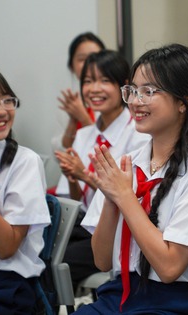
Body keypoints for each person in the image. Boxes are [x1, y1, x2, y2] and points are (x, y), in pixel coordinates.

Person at [76, 44, 188, 314]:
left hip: (176, 303)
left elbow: (170, 268)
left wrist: (125, 198)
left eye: (149, 92)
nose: (136, 101)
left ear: (184, 101)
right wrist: (113, 200)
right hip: (122, 293)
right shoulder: (127, 164)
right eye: (133, 91)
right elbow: (101, 261)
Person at [54, 50, 150, 290]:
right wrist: (73, 178)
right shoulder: (85, 134)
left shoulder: (138, 133)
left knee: (56, 265)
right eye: (88, 81)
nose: (94, 89)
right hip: (82, 224)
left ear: (124, 88)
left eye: (104, 81)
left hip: (112, 229)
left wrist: (84, 175)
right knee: (42, 255)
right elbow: (78, 202)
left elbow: (128, 195)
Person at [0, 64, 50, 314]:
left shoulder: (23, 162)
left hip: (5, 287)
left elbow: (6, 247)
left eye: (7, 100)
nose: (0, 111)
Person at [53, 32, 105, 152]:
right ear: (71, 65)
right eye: (82, 59)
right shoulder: (69, 102)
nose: (88, 64)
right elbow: (59, 152)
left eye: (94, 57)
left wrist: (82, 117)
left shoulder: (112, 98)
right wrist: (73, 120)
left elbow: (108, 145)